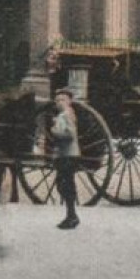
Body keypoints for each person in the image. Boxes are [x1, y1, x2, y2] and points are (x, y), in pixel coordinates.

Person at [50, 88, 81, 229]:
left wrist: (54, 131)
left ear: (69, 102)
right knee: (64, 184)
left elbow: (70, 134)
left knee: (65, 184)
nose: (59, 103)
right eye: (57, 100)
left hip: (68, 155)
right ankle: (71, 215)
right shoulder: (64, 115)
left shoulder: (66, 115)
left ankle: (72, 216)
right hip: (66, 155)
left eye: (62, 100)